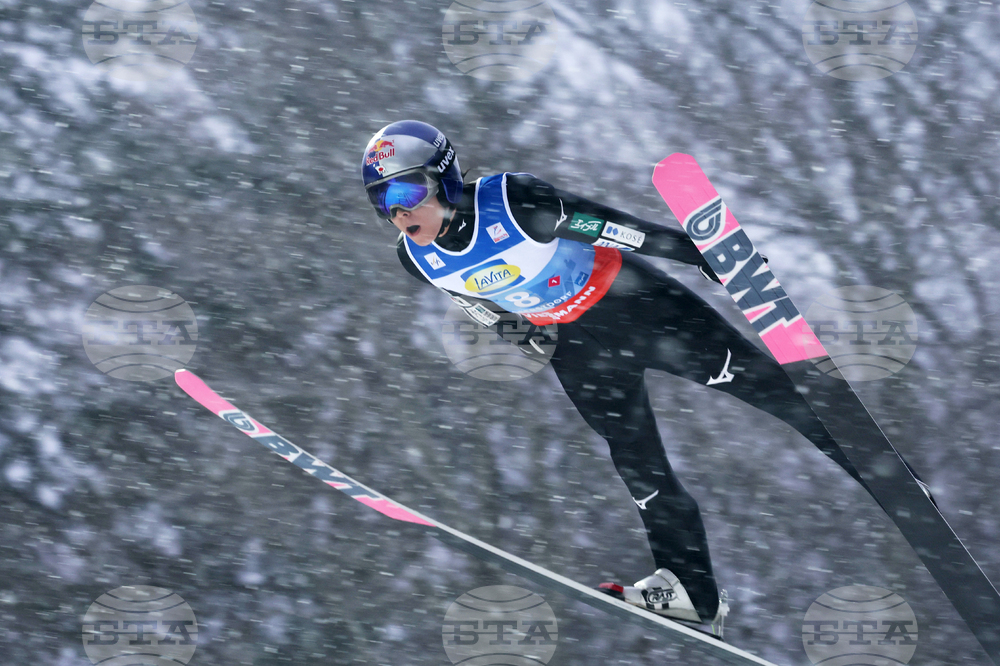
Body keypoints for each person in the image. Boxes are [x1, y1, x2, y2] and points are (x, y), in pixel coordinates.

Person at [360, 120, 928, 629]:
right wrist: (518, 334)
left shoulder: (514, 202)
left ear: (444, 177)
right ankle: (690, 590)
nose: (399, 212)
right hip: (579, 349)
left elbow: (616, 229)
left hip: (638, 308)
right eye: (383, 202)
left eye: (406, 191)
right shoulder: (416, 258)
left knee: (772, 392)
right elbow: (469, 299)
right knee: (639, 468)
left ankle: (890, 479)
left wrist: (701, 254)